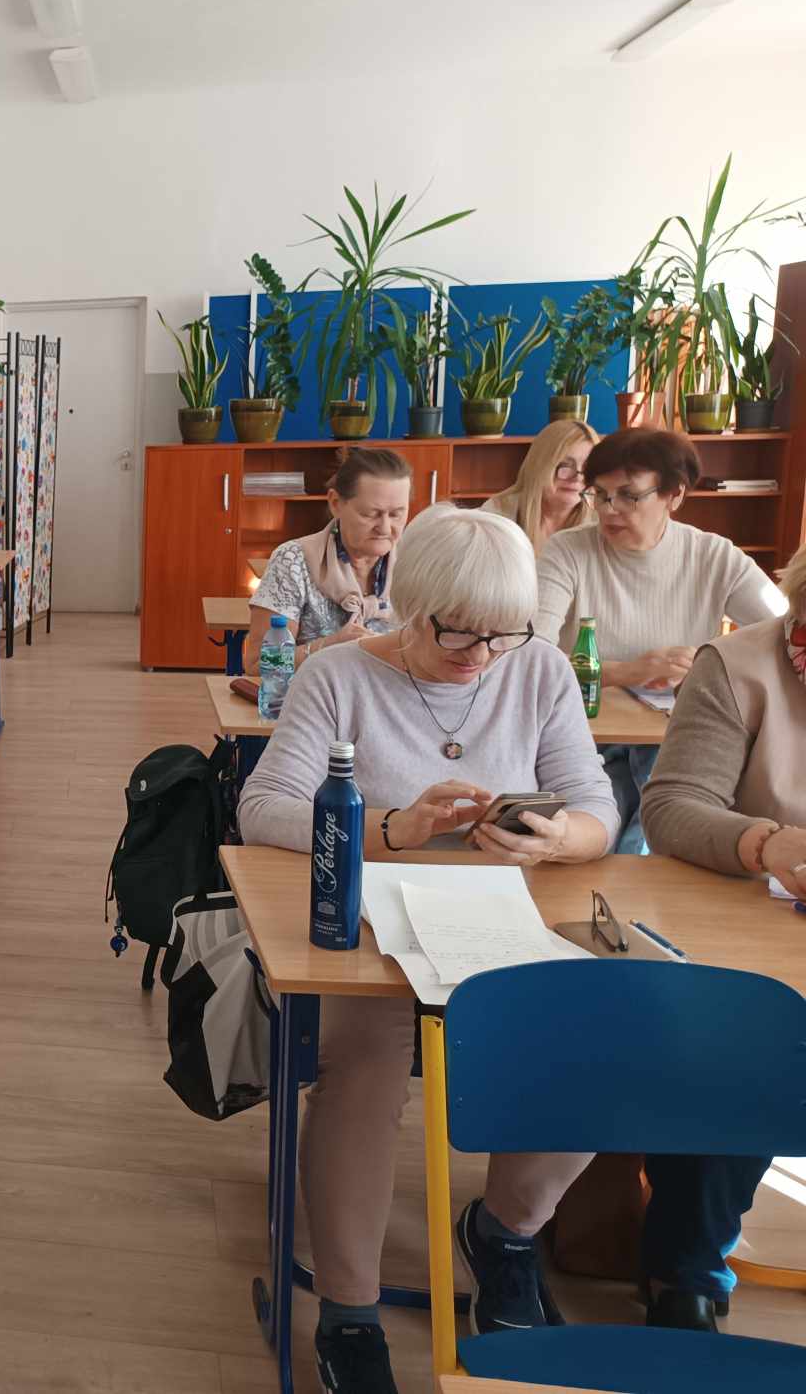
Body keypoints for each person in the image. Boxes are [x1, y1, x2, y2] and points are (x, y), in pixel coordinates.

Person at [238, 506, 619, 1393]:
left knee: (601, 1036)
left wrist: (557, 837)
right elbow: (263, 810)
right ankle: (349, 1311)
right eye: (458, 631)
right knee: (364, 1060)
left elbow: (599, 808)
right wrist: (393, 830)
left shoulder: (539, 669)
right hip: (372, 928)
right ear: (412, 603)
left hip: (500, 922)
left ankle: (506, 1233)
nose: (481, 654)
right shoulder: (338, 675)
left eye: (502, 633)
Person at [636, 541, 806, 1332]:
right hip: (756, 932)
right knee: (744, 1042)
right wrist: (764, 843)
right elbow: (671, 808)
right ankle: (688, 1268)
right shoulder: (739, 666)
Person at [535, 427, 784, 852]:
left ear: (675, 495)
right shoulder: (567, 551)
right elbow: (532, 654)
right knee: (602, 830)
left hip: (678, 742)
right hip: (586, 737)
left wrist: (710, 666)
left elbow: (784, 633)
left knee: (670, 823)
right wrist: (628, 672)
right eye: (600, 495)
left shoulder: (714, 556)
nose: (609, 510)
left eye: (629, 496)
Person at [247, 446, 411, 674]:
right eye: (370, 514)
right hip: (313, 693)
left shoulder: (417, 564)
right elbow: (258, 664)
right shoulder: (293, 561)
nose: (384, 528)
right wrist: (329, 646)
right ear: (335, 503)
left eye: (396, 514)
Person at [481, 418, 597, 553]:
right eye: (565, 465)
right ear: (539, 466)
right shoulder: (497, 515)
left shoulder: (601, 519)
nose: (578, 477)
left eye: (588, 467)